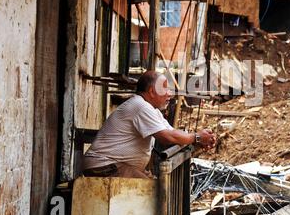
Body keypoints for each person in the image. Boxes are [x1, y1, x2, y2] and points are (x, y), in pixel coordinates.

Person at [83, 71, 216, 178]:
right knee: (152, 193)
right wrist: (197, 137)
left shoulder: (152, 110)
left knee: (153, 189)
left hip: (114, 165)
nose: (170, 94)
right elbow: (167, 137)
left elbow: (172, 133)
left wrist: (197, 140)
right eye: (165, 89)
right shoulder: (140, 106)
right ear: (152, 91)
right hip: (104, 166)